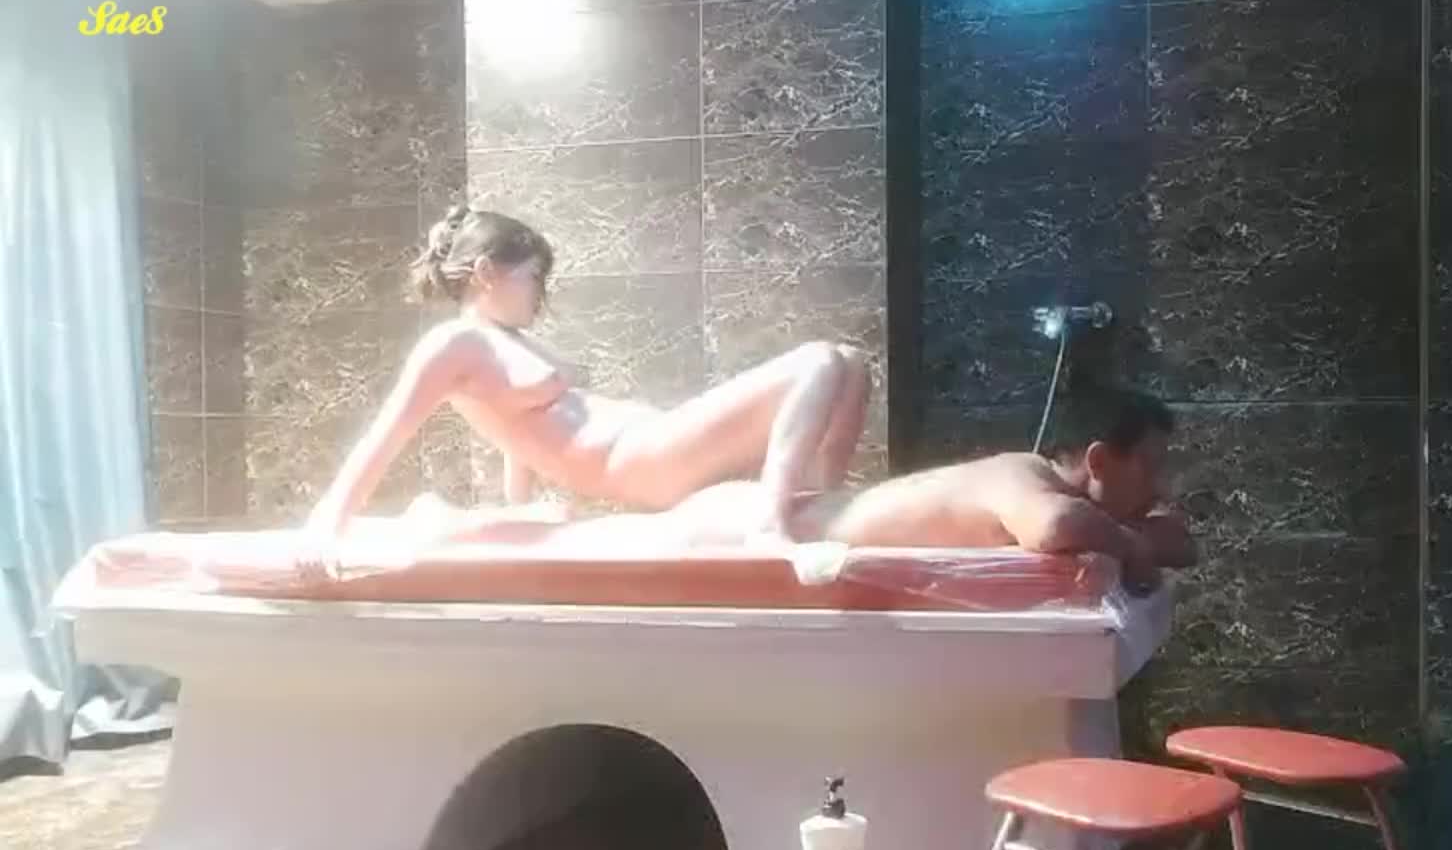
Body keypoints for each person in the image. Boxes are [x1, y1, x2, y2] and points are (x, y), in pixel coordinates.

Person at [303, 205, 871, 543]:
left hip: (651, 445)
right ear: (486, 273)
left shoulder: (505, 342)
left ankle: (818, 502)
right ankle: (772, 524)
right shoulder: (453, 344)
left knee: (850, 363)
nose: (541, 294)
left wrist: (519, 511)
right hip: (641, 462)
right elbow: (386, 435)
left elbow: (516, 435)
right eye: (533, 277)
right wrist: (327, 525)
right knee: (817, 362)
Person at [408, 385, 1198, 595]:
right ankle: (446, 525)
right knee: (580, 545)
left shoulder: (1050, 485)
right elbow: (1054, 528)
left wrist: (1145, 537)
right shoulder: (1020, 474)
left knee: (586, 540)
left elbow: (1183, 543)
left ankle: (471, 524)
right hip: (748, 521)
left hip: (779, 514)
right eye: (1151, 466)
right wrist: (1134, 546)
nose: (1158, 484)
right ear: (1101, 459)